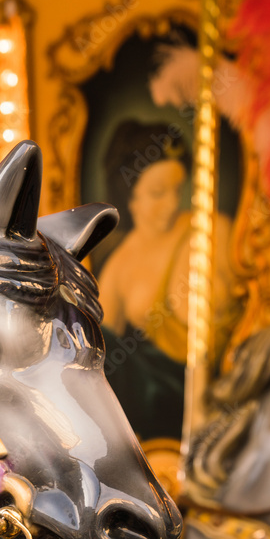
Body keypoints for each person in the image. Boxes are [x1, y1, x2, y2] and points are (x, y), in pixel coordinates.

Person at [98, 120, 234, 441]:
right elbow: (103, 345)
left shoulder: (207, 229)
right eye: (157, 193)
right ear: (131, 197)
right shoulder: (121, 262)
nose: (172, 204)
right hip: (150, 393)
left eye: (177, 190)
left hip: (200, 386)